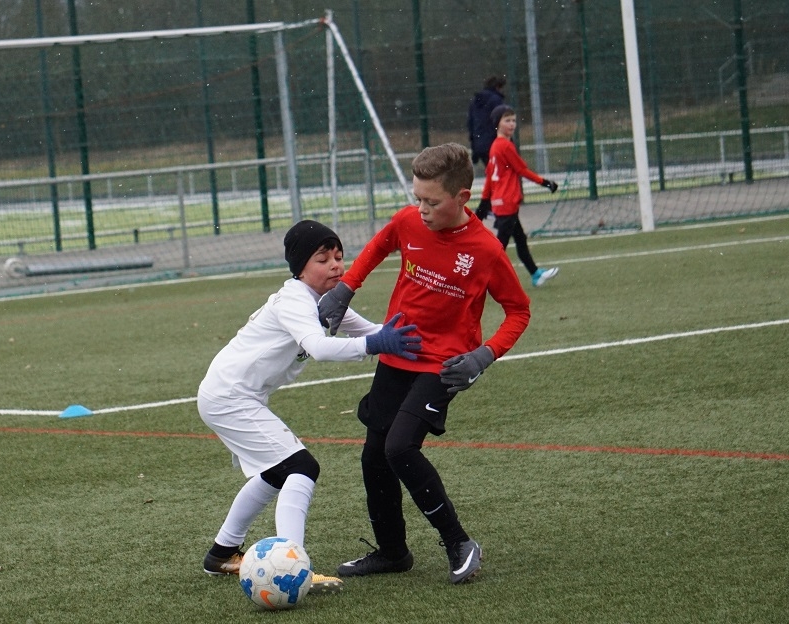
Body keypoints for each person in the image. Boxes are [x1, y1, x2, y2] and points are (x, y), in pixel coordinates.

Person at [316, 143, 532, 585]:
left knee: (399, 448)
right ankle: (393, 552)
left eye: (432, 201)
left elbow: (519, 311)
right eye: (417, 198)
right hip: (398, 351)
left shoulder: (486, 250)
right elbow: (378, 247)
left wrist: (484, 355)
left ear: (462, 198)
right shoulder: (408, 221)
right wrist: (345, 289)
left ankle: (459, 542)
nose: (422, 209)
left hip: (443, 366)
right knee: (374, 457)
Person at [199, 220, 422, 595]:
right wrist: (377, 344)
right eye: (323, 259)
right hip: (228, 396)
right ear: (301, 268)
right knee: (301, 467)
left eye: (339, 256)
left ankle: (221, 554)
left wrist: (423, 338)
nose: (336, 265)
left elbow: (372, 331)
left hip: (233, 396)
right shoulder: (295, 300)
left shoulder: (326, 301)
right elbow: (320, 347)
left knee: (276, 473)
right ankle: (292, 567)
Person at [475, 104, 560, 287]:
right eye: (507, 120)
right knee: (500, 247)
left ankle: (535, 274)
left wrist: (484, 202)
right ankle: (479, 279)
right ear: (497, 123)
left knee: (520, 240)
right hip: (506, 203)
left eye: (513, 120)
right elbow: (522, 170)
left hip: (503, 203)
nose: (512, 124)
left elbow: (490, 177)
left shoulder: (495, 146)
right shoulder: (505, 146)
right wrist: (546, 183)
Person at [467, 75, 506, 167]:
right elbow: (501, 121)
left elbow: (470, 124)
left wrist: (474, 146)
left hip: (479, 145)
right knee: (501, 170)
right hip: (494, 143)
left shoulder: (475, 101)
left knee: (491, 169)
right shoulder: (496, 100)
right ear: (498, 87)